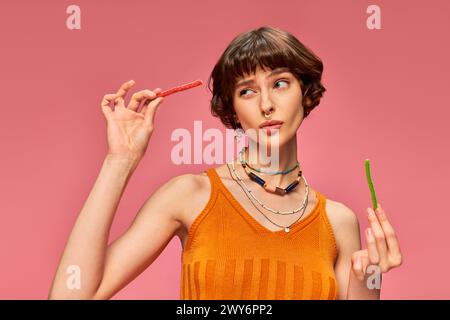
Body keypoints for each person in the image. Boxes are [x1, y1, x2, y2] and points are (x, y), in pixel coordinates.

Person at [48, 26, 402, 300]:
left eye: (280, 83)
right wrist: (119, 160)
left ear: (305, 93)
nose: (266, 104)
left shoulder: (337, 221)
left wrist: (368, 277)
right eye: (247, 90)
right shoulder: (190, 195)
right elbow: (71, 295)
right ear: (232, 108)